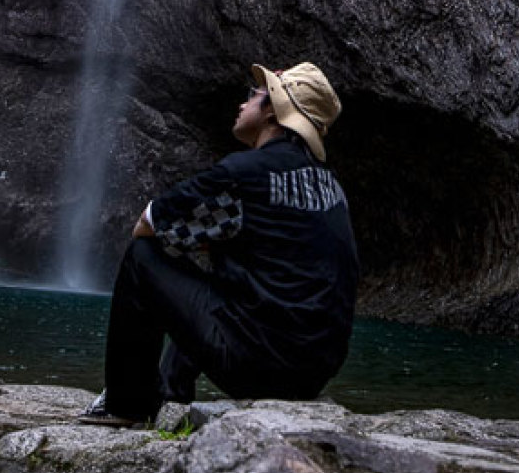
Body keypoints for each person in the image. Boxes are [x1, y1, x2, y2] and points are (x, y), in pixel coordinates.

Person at [78, 61, 359, 427]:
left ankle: (127, 404)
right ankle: (171, 388)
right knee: (220, 264)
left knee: (143, 257)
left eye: (253, 96)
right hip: (311, 375)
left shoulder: (243, 174)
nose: (242, 105)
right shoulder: (332, 188)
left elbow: (147, 225)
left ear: (273, 110)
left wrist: (204, 243)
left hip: (257, 368)